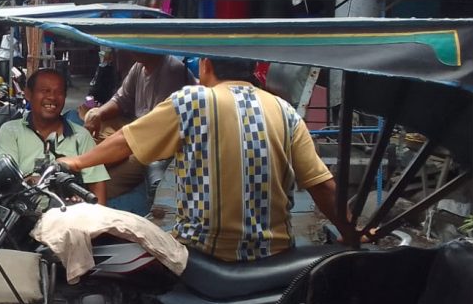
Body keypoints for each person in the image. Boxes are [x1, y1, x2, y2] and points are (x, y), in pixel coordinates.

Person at [61, 57, 351, 262]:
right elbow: (323, 187)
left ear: (206, 66)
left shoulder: (192, 101)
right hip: (273, 255)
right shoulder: (285, 111)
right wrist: (351, 233)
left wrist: (75, 162)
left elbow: (127, 140)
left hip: (203, 253)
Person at [82, 52, 194, 202]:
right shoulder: (139, 67)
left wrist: (102, 158)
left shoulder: (172, 72)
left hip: (158, 143)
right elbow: (121, 99)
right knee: (96, 126)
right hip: (136, 128)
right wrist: (98, 114)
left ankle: (90, 188)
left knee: (106, 178)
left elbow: (153, 132)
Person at [0, 69, 108, 204]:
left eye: (59, 92)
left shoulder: (81, 137)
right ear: (28, 94)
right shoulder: (11, 131)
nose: (52, 97)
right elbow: (7, 180)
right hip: (24, 216)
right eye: (45, 91)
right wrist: (38, 181)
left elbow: (97, 187)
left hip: (69, 218)